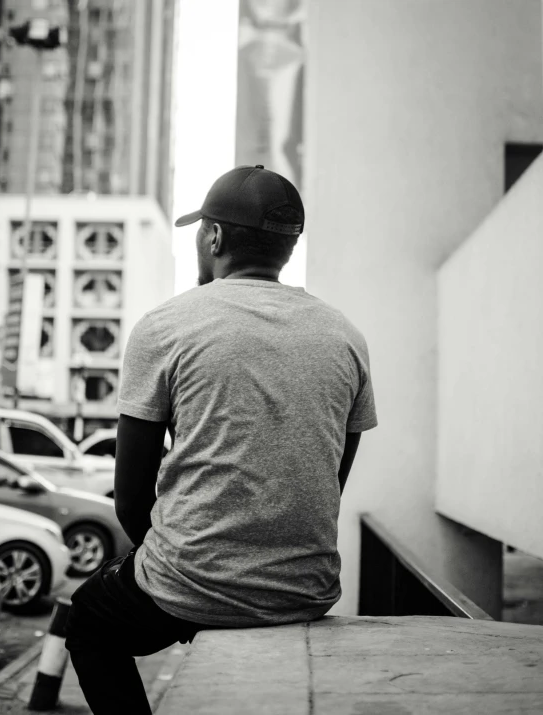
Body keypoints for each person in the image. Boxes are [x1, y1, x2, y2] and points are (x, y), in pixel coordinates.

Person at [65, 164, 378, 714]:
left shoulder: (166, 325)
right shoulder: (345, 336)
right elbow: (331, 478)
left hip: (187, 583)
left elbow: (131, 494)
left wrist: (177, 565)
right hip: (307, 589)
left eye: (201, 229)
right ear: (286, 245)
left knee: (89, 622)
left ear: (213, 237)